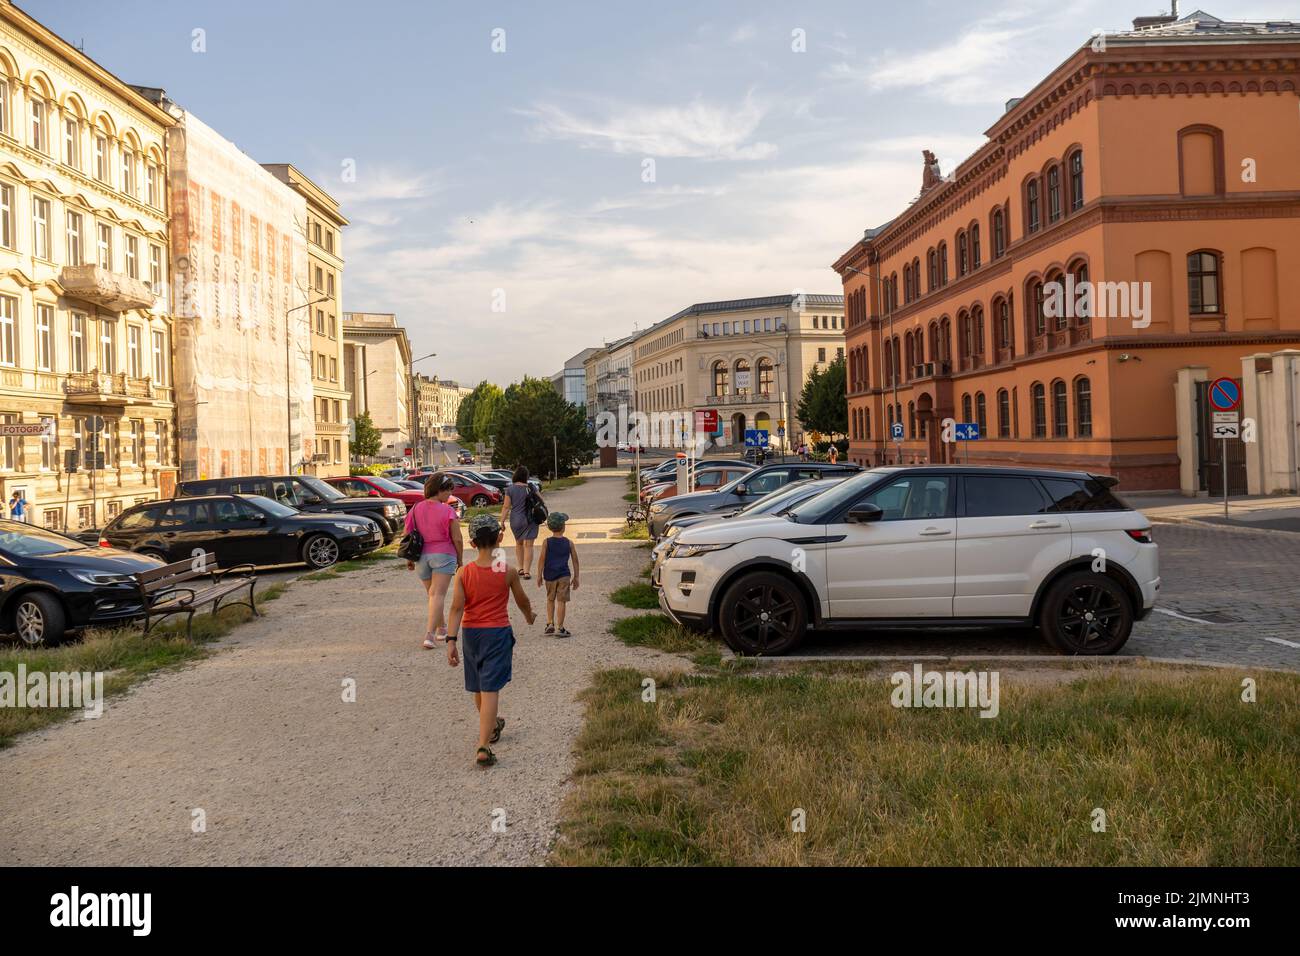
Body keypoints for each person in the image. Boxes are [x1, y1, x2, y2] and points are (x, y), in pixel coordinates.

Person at [445, 514, 536, 768]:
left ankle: (492, 725)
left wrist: (451, 640)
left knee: (478, 686)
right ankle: (483, 745)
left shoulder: (463, 573)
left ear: (472, 544)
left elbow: (455, 609)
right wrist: (530, 616)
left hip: (471, 634)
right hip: (497, 633)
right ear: (499, 538)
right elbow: (522, 600)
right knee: (490, 689)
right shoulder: (506, 572)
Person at [405, 473, 463, 649]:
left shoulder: (415, 508)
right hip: (444, 554)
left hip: (421, 556)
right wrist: (460, 559)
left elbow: (407, 533)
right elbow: (458, 539)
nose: (449, 496)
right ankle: (429, 635)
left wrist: (409, 558)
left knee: (432, 594)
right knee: (437, 595)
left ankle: (442, 628)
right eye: (448, 492)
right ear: (439, 490)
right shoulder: (448, 511)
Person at [535, 512, 579, 637]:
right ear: (563, 527)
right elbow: (575, 560)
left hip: (549, 575)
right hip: (564, 575)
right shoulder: (569, 543)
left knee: (550, 599)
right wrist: (576, 576)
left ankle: (549, 623)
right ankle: (560, 628)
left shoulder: (546, 542)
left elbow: (541, 559)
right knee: (561, 601)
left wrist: (539, 575)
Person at [499, 466, 541, 579]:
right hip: (530, 519)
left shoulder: (510, 489)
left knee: (519, 544)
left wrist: (502, 521)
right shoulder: (532, 487)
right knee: (529, 546)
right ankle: (527, 571)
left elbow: (506, 507)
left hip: (516, 519)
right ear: (526, 477)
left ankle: (520, 568)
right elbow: (541, 501)